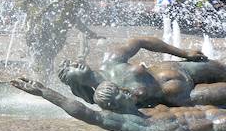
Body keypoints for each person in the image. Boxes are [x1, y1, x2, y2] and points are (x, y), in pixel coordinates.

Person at [11, 77, 226, 131]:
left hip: (199, 121)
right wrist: (44, 91)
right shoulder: (122, 121)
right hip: (196, 130)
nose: (125, 92)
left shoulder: (136, 107)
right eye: (120, 93)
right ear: (115, 103)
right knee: (220, 124)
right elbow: (83, 111)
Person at [58, 36, 226, 112]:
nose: (74, 64)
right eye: (68, 69)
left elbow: (139, 41)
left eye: (71, 62)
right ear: (74, 83)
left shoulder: (111, 61)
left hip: (180, 68)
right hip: (182, 96)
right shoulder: (106, 98)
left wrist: (183, 53)